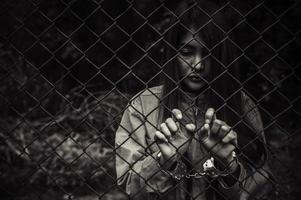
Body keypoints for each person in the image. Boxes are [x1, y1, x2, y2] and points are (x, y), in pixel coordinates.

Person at [115, 0, 274, 199]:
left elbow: (261, 185)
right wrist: (163, 161)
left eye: (208, 53)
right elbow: (129, 186)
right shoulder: (142, 107)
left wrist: (229, 166)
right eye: (187, 52)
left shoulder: (242, 105)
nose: (197, 65)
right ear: (173, 53)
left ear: (221, 56)